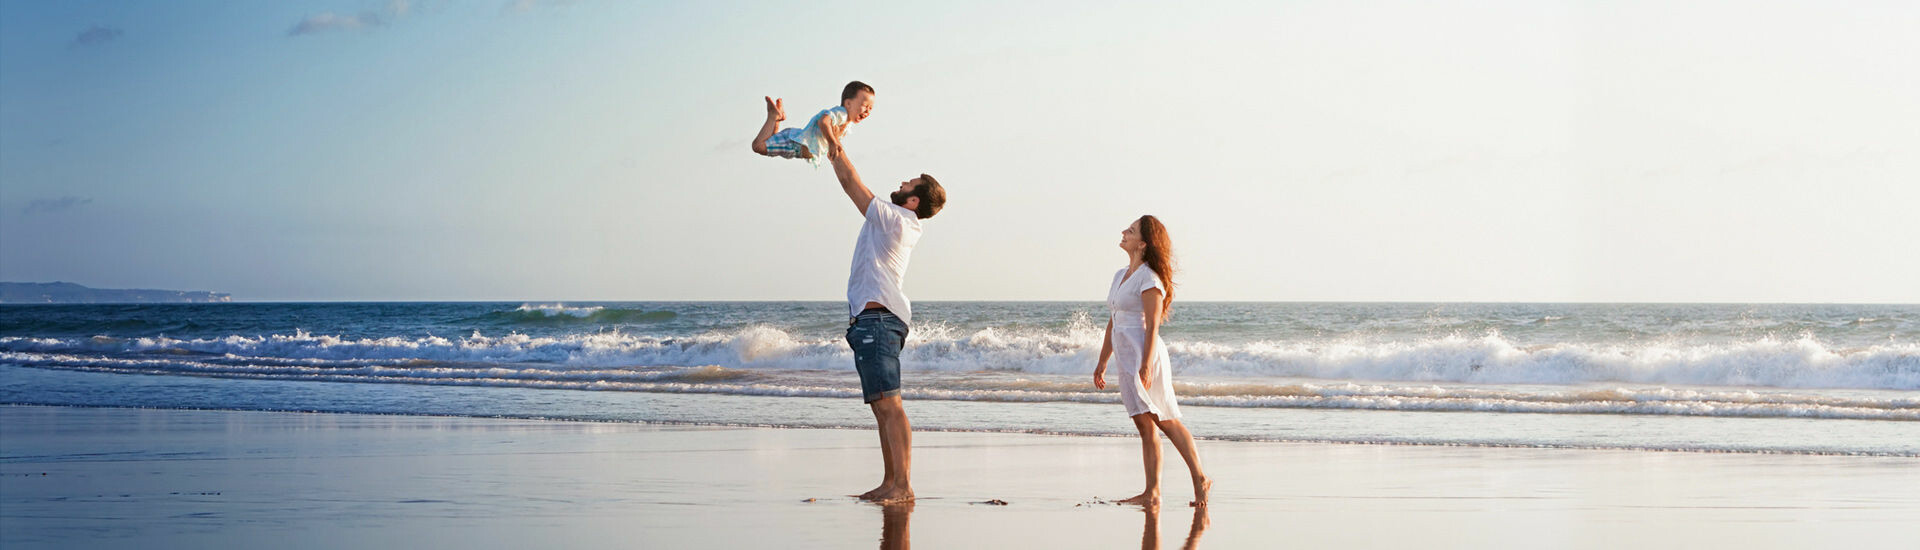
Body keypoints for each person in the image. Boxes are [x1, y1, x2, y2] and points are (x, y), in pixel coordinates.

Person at [828, 140, 946, 503]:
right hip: (871, 319)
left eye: (909, 184)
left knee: (890, 404)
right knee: (881, 406)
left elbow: (852, 184)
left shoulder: (897, 219)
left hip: (879, 321)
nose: (902, 183)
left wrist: (834, 143)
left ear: (913, 201)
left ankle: (903, 485)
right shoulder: (894, 219)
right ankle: (890, 482)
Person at [1095, 215, 1212, 507]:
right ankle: (1153, 492)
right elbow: (1113, 321)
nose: (1124, 232)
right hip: (1125, 356)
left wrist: (1146, 365)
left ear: (1143, 244)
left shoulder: (1149, 278)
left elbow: (1153, 324)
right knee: (1143, 425)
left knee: (1164, 419)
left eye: (1131, 231)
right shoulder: (1120, 275)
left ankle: (1199, 478)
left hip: (1145, 355)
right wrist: (1102, 362)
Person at [753, 81, 876, 165]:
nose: (867, 111)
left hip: (796, 145)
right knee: (759, 146)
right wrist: (833, 142)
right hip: (794, 144)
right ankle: (772, 116)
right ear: (848, 103)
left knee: (769, 146)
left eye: (871, 108)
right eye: (865, 106)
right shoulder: (841, 113)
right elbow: (823, 121)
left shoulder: (846, 122)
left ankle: (776, 118)